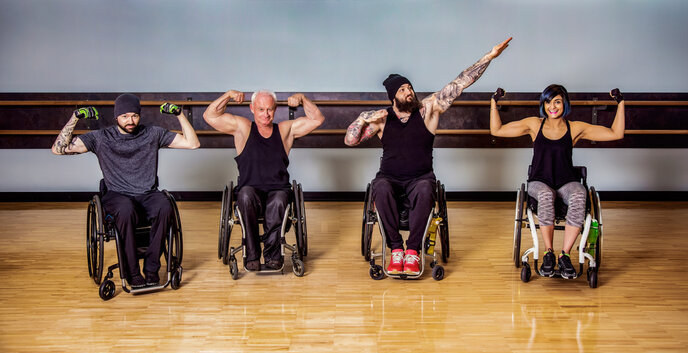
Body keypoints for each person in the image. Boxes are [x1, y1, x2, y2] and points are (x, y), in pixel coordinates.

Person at [344, 37, 512, 275]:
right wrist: (362, 118)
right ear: (393, 97)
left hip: (420, 177)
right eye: (402, 90)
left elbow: (460, 82)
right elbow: (350, 140)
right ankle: (395, 249)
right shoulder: (381, 119)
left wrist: (489, 57)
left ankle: (412, 252)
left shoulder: (428, 109)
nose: (409, 91)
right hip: (389, 178)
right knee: (378, 187)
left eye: (409, 87)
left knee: (425, 189)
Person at [51, 94, 200, 287]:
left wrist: (180, 114)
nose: (130, 121)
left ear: (139, 115)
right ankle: (132, 272)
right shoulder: (101, 138)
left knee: (165, 206)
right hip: (116, 195)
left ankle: (151, 268)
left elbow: (193, 143)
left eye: (134, 116)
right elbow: (58, 149)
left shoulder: (152, 134)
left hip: (146, 194)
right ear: (116, 117)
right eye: (125, 116)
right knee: (126, 209)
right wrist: (75, 117)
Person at [490, 84, 625, 278]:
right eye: (548, 102)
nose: (552, 106)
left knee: (580, 193)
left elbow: (616, 133)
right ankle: (548, 253)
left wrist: (621, 104)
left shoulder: (575, 128)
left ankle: (564, 256)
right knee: (545, 194)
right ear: (543, 104)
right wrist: (493, 103)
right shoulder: (535, 124)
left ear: (565, 104)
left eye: (557, 102)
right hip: (539, 182)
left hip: (565, 182)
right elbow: (497, 130)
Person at [203, 90, 324, 271]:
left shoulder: (284, 130)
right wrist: (227, 95)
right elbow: (209, 115)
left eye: (269, 109)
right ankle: (251, 255)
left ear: (275, 110)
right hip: (250, 191)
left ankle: (273, 256)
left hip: (278, 191)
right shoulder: (242, 128)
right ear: (252, 108)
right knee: (244, 195)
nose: (265, 114)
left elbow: (317, 119)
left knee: (278, 201)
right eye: (261, 109)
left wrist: (303, 98)